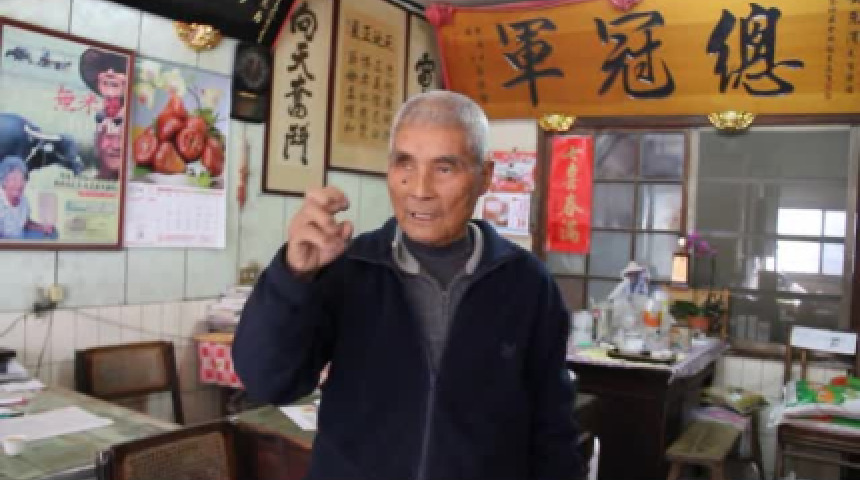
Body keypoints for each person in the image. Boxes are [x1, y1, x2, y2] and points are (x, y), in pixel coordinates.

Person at [233, 90, 582, 480]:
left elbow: (553, 426)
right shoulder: (350, 268)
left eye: (444, 168)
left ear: (485, 176)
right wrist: (293, 276)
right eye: (405, 164)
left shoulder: (526, 283)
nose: (420, 189)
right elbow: (268, 381)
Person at [0, 156, 54, 238]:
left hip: (19, 242)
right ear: (4, 181)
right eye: (14, 179)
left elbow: (24, 223)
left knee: (53, 233)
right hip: (5, 244)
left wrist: (41, 227)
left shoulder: (24, 201)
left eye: (22, 179)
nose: (19, 184)